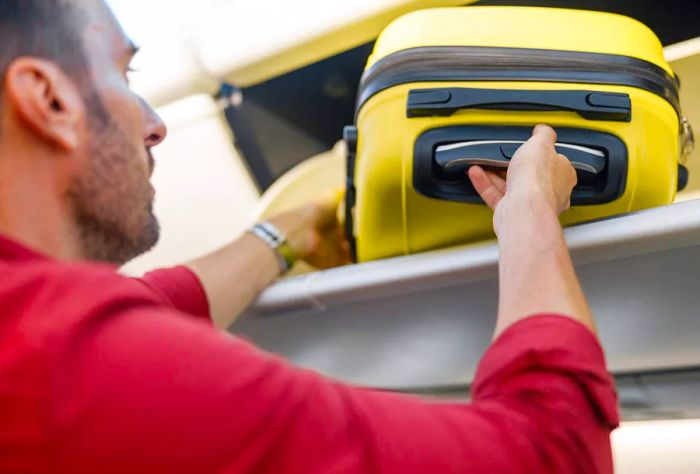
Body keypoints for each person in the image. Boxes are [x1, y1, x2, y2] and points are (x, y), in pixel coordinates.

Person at [0, 1, 618, 473]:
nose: (156, 126)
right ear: (48, 99)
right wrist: (529, 212)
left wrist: (289, 233)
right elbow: (548, 452)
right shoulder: (66, 369)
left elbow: (159, 303)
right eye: (121, 74)